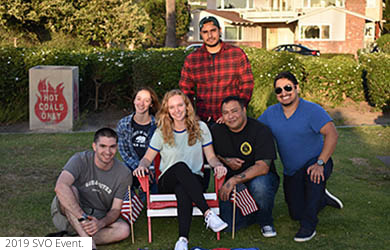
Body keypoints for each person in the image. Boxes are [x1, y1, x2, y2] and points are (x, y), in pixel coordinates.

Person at [133, 89, 228, 250]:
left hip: (194, 180)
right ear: (167, 111)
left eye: (180, 105)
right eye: (172, 107)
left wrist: (218, 165)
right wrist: (142, 166)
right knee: (180, 167)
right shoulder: (162, 131)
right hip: (166, 181)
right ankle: (208, 214)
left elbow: (211, 157)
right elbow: (147, 158)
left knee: (182, 188)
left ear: (187, 107)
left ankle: (182, 240)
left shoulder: (201, 128)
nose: (176, 110)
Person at [258, 71, 344, 242]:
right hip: (292, 171)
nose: (284, 93)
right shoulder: (271, 113)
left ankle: (309, 226)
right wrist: (229, 120)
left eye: (288, 87)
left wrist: (320, 162)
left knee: (314, 177)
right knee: (296, 213)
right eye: (279, 90)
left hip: (317, 161)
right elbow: (253, 129)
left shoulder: (312, 110)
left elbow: (332, 134)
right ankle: (322, 198)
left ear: (297, 88)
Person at [179, 16, 254, 189]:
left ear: (220, 31)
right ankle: (201, 203)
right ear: (201, 35)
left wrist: (233, 114)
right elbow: (186, 91)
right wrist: (193, 115)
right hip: (203, 121)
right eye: (205, 32)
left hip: (230, 122)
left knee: (232, 166)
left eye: (213, 30)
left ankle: (233, 203)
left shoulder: (236, 54)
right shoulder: (193, 59)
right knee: (200, 167)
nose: (210, 35)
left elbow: (247, 85)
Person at [51, 128, 132, 250]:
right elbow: (60, 187)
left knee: (123, 230)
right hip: (69, 215)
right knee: (70, 191)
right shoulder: (80, 160)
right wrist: (82, 218)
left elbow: (115, 209)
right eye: (103, 146)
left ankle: (67, 241)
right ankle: (87, 243)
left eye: (112, 147)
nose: (108, 151)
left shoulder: (124, 173)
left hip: (97, 217)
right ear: (94, 146)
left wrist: (100, 224)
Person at [210, 96, 279, 237]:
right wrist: (225, 160)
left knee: (260, 186)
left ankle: (266, 220)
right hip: (234, 187)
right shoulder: (217, 130)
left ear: (244, 110)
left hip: (259, 178)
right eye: (226, 113)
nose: (230, 116)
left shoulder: (261, 130)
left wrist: (233, 180)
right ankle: (254, 213)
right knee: (228, 225)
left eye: (234, 111)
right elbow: (209, 153)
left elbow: (263, 167)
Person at [116, 87, 160, 199]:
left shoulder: (158, 125)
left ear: (151, 104)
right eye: (139, 99)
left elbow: (160, 153)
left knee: (154, 198)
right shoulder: (123, 124)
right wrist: (140, 168)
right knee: (121, 171)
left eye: (146, 100)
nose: (141, 103)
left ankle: (144, 191)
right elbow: (124, 152)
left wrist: (148, 169)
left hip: (153, 169)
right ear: (134, 101)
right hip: (132, 167)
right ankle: (128, 199)